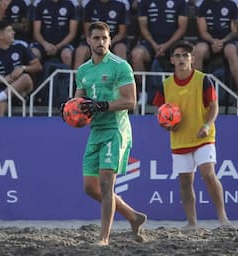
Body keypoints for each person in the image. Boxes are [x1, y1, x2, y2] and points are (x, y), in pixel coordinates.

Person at [64, 21, 146, 246]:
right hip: (96, 130)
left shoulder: (120, 66)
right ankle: (133, 216)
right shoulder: (83, 70)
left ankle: (104, 238)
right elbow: (79, 102)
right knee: (90, 188)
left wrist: (101, 105)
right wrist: (69, 109)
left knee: (106, 183)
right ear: (89, 41)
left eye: (104, 38)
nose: (100, 42)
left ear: (110, 40)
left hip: (116, 130)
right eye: (96, 38)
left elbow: (130, 101)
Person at [153, 40, 230, 230]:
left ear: (192, 59)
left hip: (203, 136)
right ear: (171, 60)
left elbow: (213, 107)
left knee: (208, 174)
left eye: (185, 55)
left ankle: (223, 219)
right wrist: (165, 125)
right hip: (179, 139)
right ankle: (192, 222)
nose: (181, 59)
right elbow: (160, 111)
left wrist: (207, 124)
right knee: (185, 182)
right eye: (177, 56)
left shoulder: (203, 79)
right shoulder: (166, 85)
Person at [130, 0, 189, 105]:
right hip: (151, 43)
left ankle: (184, 93)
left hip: (174, 43)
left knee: (184, 56)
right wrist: (155, 45)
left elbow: (182, 28)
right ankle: (144, 91)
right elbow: (143, 27)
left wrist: (166, 45)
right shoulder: (144, 2)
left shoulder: (181, 2)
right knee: (136, 54)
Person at [0, 20, 42, 116]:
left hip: (21, 90)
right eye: (9, 31)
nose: (13, 33)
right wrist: (2, 80)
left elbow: (38, 66)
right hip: (0, 90)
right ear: (0, 35)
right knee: (0, 105)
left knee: (25, 77)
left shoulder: (21, 46)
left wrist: (23, 68)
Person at [194, 0, 238, 107]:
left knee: (231, 51)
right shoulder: (204, 5)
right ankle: (195, 90)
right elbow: (203, 31)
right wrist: (213, 41)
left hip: (227, 40)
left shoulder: (231, 4)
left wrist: (222, 41)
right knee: (198, 50)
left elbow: (234, 31)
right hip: (209, 40)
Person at [73, 0, 128, 70]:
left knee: (121, 49)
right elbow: (87, 31)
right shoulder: (90, 5)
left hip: (114, 41)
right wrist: (96, 43)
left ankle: (122, 79)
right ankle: (76, 80)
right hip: (94, 40)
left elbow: (121, 33)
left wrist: (108, 43)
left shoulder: (120, 6)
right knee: (80, 52)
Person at [30, 0, 79, 68]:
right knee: (33, 54)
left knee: (67, 55)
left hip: (63, 44)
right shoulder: (40, 4)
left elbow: (72, 34)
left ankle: (67, 78)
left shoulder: (70, 4)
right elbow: (36, 33)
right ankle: (33, 78)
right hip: (43, 44)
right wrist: (45, 44)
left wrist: (57, 47)